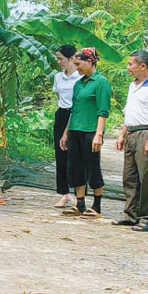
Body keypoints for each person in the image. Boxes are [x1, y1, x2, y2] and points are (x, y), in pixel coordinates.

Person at [112, 50, 148, 232]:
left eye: (131, 64)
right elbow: (130, 112)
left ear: (142, 66)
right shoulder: (133, 86)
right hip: (132, 133)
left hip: (146, 133)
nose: (128, 68)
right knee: (130, 177)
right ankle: (131, 215)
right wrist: (122, 134)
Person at [59, 48, 111, 218]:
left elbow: (103, 111)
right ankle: (79, 203)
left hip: (90, 131)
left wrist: (99, 134)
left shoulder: (101, 82)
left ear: (89, 62)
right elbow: (74, 110)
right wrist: (66, 133)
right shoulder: (79, 84)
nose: (77, 67)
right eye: (75, 64)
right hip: (75, 130)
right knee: (75, 167)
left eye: (79, 64)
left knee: (92, 167)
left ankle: (97, 205)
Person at [52, 44, 82, 208]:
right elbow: (59, 96)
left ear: (71, 59)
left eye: (61, 59)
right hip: (62, 114)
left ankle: (79, 195)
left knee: (75, 156)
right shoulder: (58, 77)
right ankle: (64, 193)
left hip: (77, 115)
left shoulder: (80, 77)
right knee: (60, 155)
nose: (59, 62)